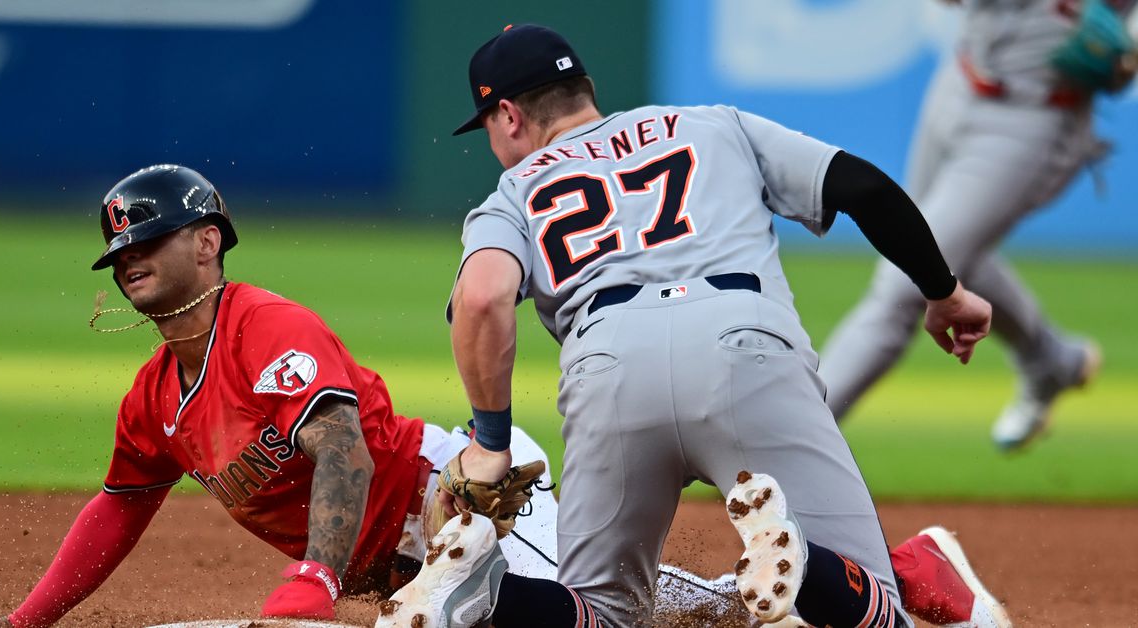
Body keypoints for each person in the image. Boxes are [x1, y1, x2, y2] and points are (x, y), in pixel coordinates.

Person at [0, 163, 828, 628]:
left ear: (207, 242)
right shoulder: (152, 397)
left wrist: (315, 576)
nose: (131, 258)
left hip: (462, 501)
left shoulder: (263, 327)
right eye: (118, 253)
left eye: (154, 238)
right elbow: (119, 508)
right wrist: (27, 621)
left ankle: (848, 585)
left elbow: (346, 447)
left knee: (615, 617)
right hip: (405, 561)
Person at [378, 23, 1002, 628]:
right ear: (584, 88)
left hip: (608, 369)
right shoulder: (713, 125)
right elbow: (862, 186)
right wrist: (944, 294)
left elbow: (482, 300)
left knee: (603, 614)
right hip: (745, 347)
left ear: (509, 115)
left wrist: (491, 442)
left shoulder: (513, 192)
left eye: (487, 124)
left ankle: (486, 594)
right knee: (876, 609)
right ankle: (804, 565)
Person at [819, 0, 1136, 450]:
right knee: (924, 245)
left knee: (903, 283)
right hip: (960, 80)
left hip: (1031, 121)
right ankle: (1049, 359)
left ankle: (792, 439)